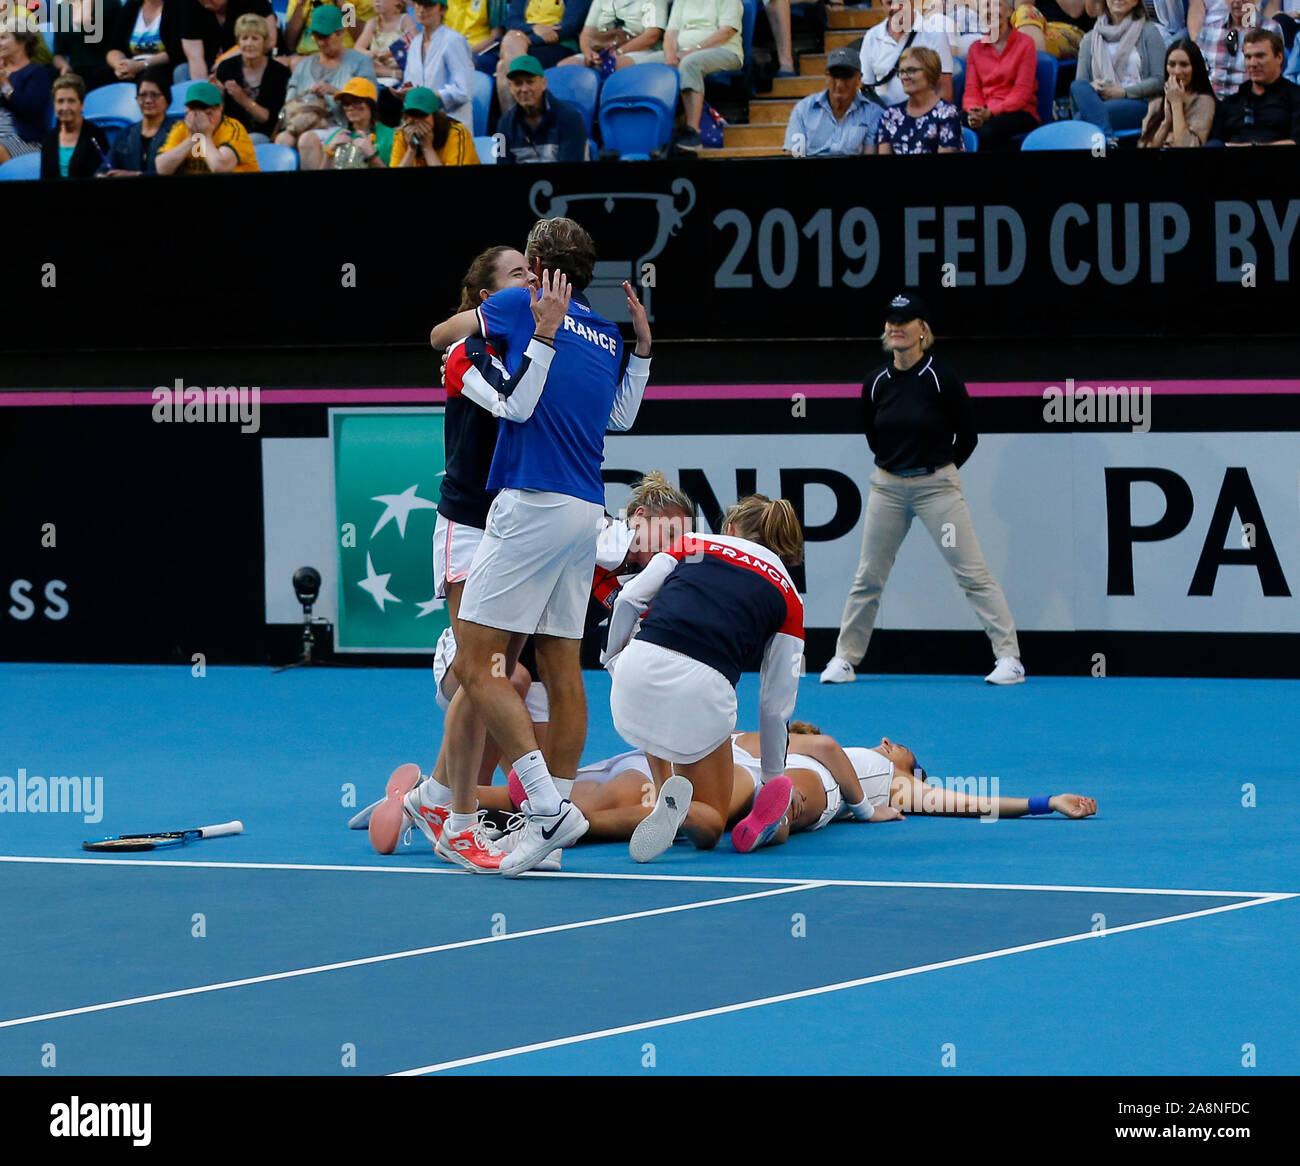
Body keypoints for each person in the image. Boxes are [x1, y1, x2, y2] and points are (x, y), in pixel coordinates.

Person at [426, 217, 653, 876]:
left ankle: (548, 808)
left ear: (536, 265)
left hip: (529, 503)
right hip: (584, 512)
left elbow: (454, 349)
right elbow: (620, 418)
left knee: (476, 665)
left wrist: (532, 332)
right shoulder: (606, 334)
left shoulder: (517, 306)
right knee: (559, 669)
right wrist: (642, 351)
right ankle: (537, 833)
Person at [820, 292, 1024, 687]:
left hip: (937, 490)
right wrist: (900, 469)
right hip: (888, 489)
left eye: (906, 320)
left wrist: (938, 473)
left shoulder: (942, 379)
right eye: (891, 320)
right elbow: (874, 438)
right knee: (868, 577)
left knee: (971, 573)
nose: (896, 327)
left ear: (923, 330)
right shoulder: (875, 383)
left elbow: (967, 436)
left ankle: (1010, 658)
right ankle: (844, 659)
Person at [602, 495, 805, 862]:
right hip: (702, 692)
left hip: (636, 672)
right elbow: (775, 706)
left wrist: (613, 656)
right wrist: (771, 782)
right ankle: (683, 811)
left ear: (730, 528)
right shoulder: (790, 597)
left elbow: (628, 600)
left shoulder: (691, 543)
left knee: (660, 694)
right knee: (712, 826)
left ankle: (665, 791)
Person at [281, 4, 377, 141]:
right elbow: (288, 103)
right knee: (283, 139)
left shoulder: (360, 62)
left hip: (343, 127)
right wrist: (307, 98)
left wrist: (336, 93)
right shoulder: (303, 65)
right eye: (316, 36)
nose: (320, 42)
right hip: (304, 123)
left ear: (341, 33)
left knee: (307, 139)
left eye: (325, 36)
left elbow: (371, 102)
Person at [1070, 0, 1166, 136]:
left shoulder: (1149, 32)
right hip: (1101, 100)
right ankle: (1108, 139)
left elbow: (1160, 80)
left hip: (1138, 101)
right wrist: (1096, 87)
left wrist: (1124, 92)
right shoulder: (1090, 38)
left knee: (1080, 120)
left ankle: (1106, 138)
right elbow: (1082, 85)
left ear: (1136, 2)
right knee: (1077, 86)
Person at [964, 0, 1040, 150]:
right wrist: (975, 111)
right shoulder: (975, 48)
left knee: (987, 132)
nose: (991, 11)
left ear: (1010, 11)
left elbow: (1022, 92)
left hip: (1019, 110)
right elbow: (971, 90)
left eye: (997, 5)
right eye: (986, 6)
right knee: (950, 123)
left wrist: (991, 112)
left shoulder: (1025, 44)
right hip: (984, 110)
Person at [496, 0, 592, 116]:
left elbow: (569, 27)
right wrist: (534, 28)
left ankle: (517, 120)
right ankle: (524, 116)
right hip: (524, 43)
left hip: (559, 45)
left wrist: (529, 39)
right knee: (508, 48)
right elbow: (512, 21)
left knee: (503, 65)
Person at [782, 45, 882, 156]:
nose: (839, 84)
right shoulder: (803, 109)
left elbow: (869, 161)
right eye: (835, 76)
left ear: (859, 78)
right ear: (826, 77)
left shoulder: (873, 113)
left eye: (846, 76)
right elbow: (795, 156)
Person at [1209, 27, 1300, 141]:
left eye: (1260, 56)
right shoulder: (1230, 103)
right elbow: (1215, 147)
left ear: (1279, 57)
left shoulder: (1296, 98)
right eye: (1248, 57)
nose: (1253, 63)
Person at [859, 0, 954, 107]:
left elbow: (944, 89)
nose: (896, 8)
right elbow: (866, 86)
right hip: (883, 116)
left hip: (925, 115)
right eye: (889, 3)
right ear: (882, 5)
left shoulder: (936, 34)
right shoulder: (872, 36)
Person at [496, 52, 587, 160]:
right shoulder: (504, 124)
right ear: (511, 87)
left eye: (530, 82)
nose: (524, 89)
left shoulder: (570, 117)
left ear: (544, 83)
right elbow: (501, 167)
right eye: (518, 83)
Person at [155, 77, 259, 171]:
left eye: (205, 109)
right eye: (193, 108)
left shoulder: (233, 129)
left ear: (220, 108)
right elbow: (162, 168)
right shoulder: (181, 128)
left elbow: (220, 168)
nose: (198, 115)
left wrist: (205, 135)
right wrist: (192, 138)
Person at [876, 45, 965, 152]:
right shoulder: (890, 114)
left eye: (911, 70)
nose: (904, 77)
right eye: (902, 71)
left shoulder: (947, 114)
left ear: (930, 73)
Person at [401, 0, 475, 127]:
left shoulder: (453, 40)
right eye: (419, 4)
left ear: (442, 10)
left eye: (429, 5)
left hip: (451, 123)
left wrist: (427, 94)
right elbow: (410, 82)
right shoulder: (415, 43)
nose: (422, 10)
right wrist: (405, 91)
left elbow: (462, 91)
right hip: (420, 123)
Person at [214, 12, 289, 137]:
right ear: (238, 42)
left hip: (264, 135)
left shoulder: (279, 72)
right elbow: (218, 111)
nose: (249, 43)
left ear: (264, 42)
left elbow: (268, 119)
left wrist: (243, 99)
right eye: (244, 38)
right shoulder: (226, 68)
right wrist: (216, 94)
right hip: (230, 132)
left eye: (255, 38)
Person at [299, 74, 393, 165]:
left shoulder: (390, 136)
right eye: (346, 103)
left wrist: (372, 156)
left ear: (371, 104)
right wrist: (329, 153)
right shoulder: (338, 136)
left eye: (357, 101)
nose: (350, 107)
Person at [1138, 35, 1216, 144]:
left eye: (1184, 65)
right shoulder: (1156, 104)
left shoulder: (1204, 102)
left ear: (1195, 68)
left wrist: (1176, 104)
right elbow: (1143, 147)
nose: (1177, 71)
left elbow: (1187, 147)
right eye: (1172, 64)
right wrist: (1166, 124)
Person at [1197, 0, 1282, 98]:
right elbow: (1199, 74)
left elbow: (1273, 76)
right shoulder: (1209, 30)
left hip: (1250, 102)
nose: (1237, 1)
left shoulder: (1270, 30)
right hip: (1212, 101)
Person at [102, 65, 177, 172]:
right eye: (143, 95)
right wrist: (102, 175)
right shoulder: (126, 133)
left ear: (167, 99)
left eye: (154, 95)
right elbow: (105, 167)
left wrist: (135, 176)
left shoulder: (177, 131)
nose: (148, 101)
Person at [180, 0, 277, 82]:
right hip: (211, 64)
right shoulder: (189, 5)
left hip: (251, 58)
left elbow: (270, 39)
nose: (207, 2)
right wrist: (203, 91)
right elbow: (195, 58)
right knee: (182, 71)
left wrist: (226, 60)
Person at [561, 0, 668, 73]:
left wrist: (618, 52)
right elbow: (587, 33)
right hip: (603, 50)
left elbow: (652, 36)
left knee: (613, 64)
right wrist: (588, 52)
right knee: (566, 65)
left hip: (643, 50)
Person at [38, 72, 110, 176]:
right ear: (54, 105)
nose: (65, 107)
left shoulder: (95, 136)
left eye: (71, 101)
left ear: (82, 105)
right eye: (60, 101)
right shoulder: (49, 139)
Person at [0, 25, 52, 164]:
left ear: (21, 41)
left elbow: (29, 109)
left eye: (3, 38)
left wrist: (4, 85)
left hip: (25, 140)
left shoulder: (37, 73)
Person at [389, 84, 478, 163]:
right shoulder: (401, 135)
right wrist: (411, 150)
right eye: (412, 114)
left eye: (422, 115)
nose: (417, 120)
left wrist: (427, 148)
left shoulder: (456, 133)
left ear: (435, 116)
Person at [52, 0, 124, 92]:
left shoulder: (109, 4)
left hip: (105, 72)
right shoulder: (62, 9)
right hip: (75, 74)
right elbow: (58, 54)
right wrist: (64, 66)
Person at [104, 0, 184, 82]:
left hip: (162, 67)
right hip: (131, 68)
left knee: (150, 75)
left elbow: (176, 51)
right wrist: (120, 66)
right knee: (101, 75)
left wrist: (141, 65)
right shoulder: (131, 7)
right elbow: (114, 48)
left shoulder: (176, 7)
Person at [354, 0, 417, 83]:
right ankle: (389, 73)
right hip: (377, 67)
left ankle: (388, 72)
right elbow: (357, 48)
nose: (377, 1)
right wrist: (373, 54)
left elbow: (415, 46)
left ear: (397, 2)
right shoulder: (373, 22)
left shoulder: (405, 19)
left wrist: (387, 54)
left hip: (396, 65)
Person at [1009, 1, 1090, 61]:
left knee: (1018, 47)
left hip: (1072, 32)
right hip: (1039, 29)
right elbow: (1020, 10)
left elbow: (1075, 10)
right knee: (1024, 10)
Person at [444, 0, 506, 75]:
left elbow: (496, 36)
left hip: (483, 53)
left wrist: (464, 53)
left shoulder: (493, 2)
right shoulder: (441, 4)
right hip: (448, 51)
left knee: (461, 63)